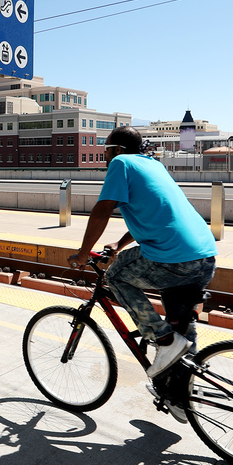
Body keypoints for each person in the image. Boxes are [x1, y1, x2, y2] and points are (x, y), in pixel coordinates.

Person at [67, 126, 217, 383]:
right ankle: (182, 394)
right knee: (181, 324)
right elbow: (155, 215)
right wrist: (120, 244)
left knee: (116, 276)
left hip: (173, 258)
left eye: (105, 151)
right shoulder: (153, 165)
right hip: (204, 257)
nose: (105, 157)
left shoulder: (121, 163)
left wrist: (82, 254)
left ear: (116, 149)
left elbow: (102, 210)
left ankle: (163, 338)